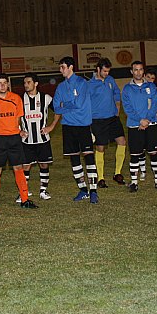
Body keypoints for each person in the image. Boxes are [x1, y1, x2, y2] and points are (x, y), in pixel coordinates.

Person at [0, 73, 38, 214]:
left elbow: (19, 118)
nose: (2, 85)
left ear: (8, 84)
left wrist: (16, 130)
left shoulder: (16, 98)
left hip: (14, 138)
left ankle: (25, 200)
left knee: (18, 168)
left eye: (4, 83)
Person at [53, 56, 99, 203]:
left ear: (71, 67)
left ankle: (93, 191)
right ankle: (83, 190)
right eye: (60, 67)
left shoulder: (82, 83)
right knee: (74, 159)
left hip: (83, 125)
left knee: (89, 157)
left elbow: (78, 104)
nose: (61, 70)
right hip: (68, 126)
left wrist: (64, 104)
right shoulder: (60, 87)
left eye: (63, 67)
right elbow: (55, 107)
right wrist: (68, 104)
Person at [122, 61, 157, 192]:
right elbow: (127, 108)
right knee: (135, 155)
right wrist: (140, 120)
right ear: (131, 71)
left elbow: (155, 104)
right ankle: (134, 182)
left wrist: (147, 120)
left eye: (140, 70)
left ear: (143, 71)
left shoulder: (151, 86)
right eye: (135, 70)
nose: (138, 72)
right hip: (135, 125)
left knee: (153, 153)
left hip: (150, 124)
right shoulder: (127, 89)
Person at [20, 73, 60, 200]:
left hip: (42, 139)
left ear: (36, 83)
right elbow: (13, 117)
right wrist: (19, 130)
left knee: (44, 164)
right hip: (26, 140)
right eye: (25, 83)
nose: (26, 85)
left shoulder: (46, 98)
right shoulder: (19, 100)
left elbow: (58, 110)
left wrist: (52, 126)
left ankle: (43, 191)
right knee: (25, 166)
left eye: (28, 82)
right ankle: (24, 193)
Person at [88, 58, 127, 187]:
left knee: (122, 141)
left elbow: (116, 92)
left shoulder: (110, 80)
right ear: (98, 69)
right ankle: (100, 178)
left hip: (112, 118)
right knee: (100, 147)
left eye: (108, 71)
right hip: (98, 120)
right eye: (104, 71)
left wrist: (117, 106)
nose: (106, 73)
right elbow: (85, 102)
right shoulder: (90, 84)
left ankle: (117, 173)